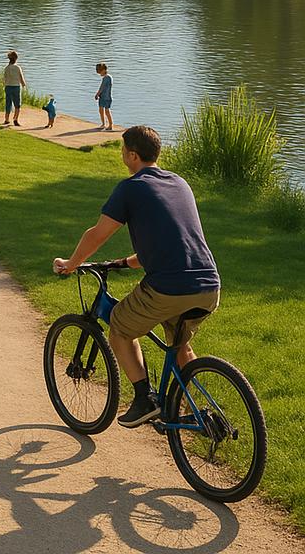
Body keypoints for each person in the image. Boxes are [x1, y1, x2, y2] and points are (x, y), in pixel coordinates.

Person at [52, 125, 220, 428]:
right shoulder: (179, 183)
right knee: (179, 345)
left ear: (132, 155)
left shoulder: (130, 188)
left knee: (119, 326)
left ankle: (144, 400)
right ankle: (197, 411)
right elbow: (172, 239)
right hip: (208, 285)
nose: (122, 155)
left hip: (170, 288)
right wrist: (125, 262)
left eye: (123, 150)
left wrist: (72, 264)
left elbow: (97, 234)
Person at [2, 50, 27, 126]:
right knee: (17, 104)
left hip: (8, 87)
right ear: (16, 59)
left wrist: (4, 85)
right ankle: (15, 119)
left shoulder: (7, 68)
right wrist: (23, 84)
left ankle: (6, 119)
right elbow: (21, 77)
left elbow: (4, 79)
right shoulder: (17, 67)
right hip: (16, 87)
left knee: (8, 103)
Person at [95, 62, 114, 131]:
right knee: (101, 110)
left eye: (100, 72)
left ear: (104, 70)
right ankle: (103, 124)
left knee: (107, 111)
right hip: (102, 97)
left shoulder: (107, 78)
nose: (100, 74)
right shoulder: (107, 77)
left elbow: (102, 87)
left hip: (106, 97)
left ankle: (110, 125)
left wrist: (97, 94)